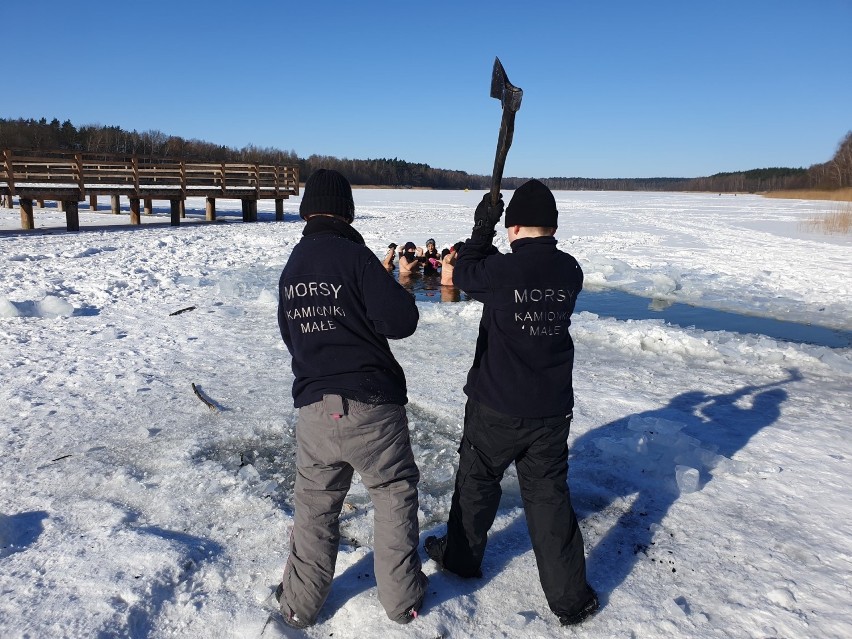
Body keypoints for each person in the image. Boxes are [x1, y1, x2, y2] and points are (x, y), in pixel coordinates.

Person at [424, 180, 598, 627]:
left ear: (513, 227)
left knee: (478, 481)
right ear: (553, 226)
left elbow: (463, 272)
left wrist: (481, 229)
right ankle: (571, 598)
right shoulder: (570, 271)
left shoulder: (501, 274)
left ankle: (462, 559)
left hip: (497, 405)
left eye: (506, 229)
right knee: (549, 498)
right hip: (551, 408)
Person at [276, 169, 428, 628]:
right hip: (373, 405)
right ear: (347, 212)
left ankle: (300, 604)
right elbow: (401, 320)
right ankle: (401, 600)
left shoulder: (293, 265)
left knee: (315, 506)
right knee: (392, 493)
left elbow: (291, 334)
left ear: (307, 212)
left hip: (316, 408)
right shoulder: (356, 258)